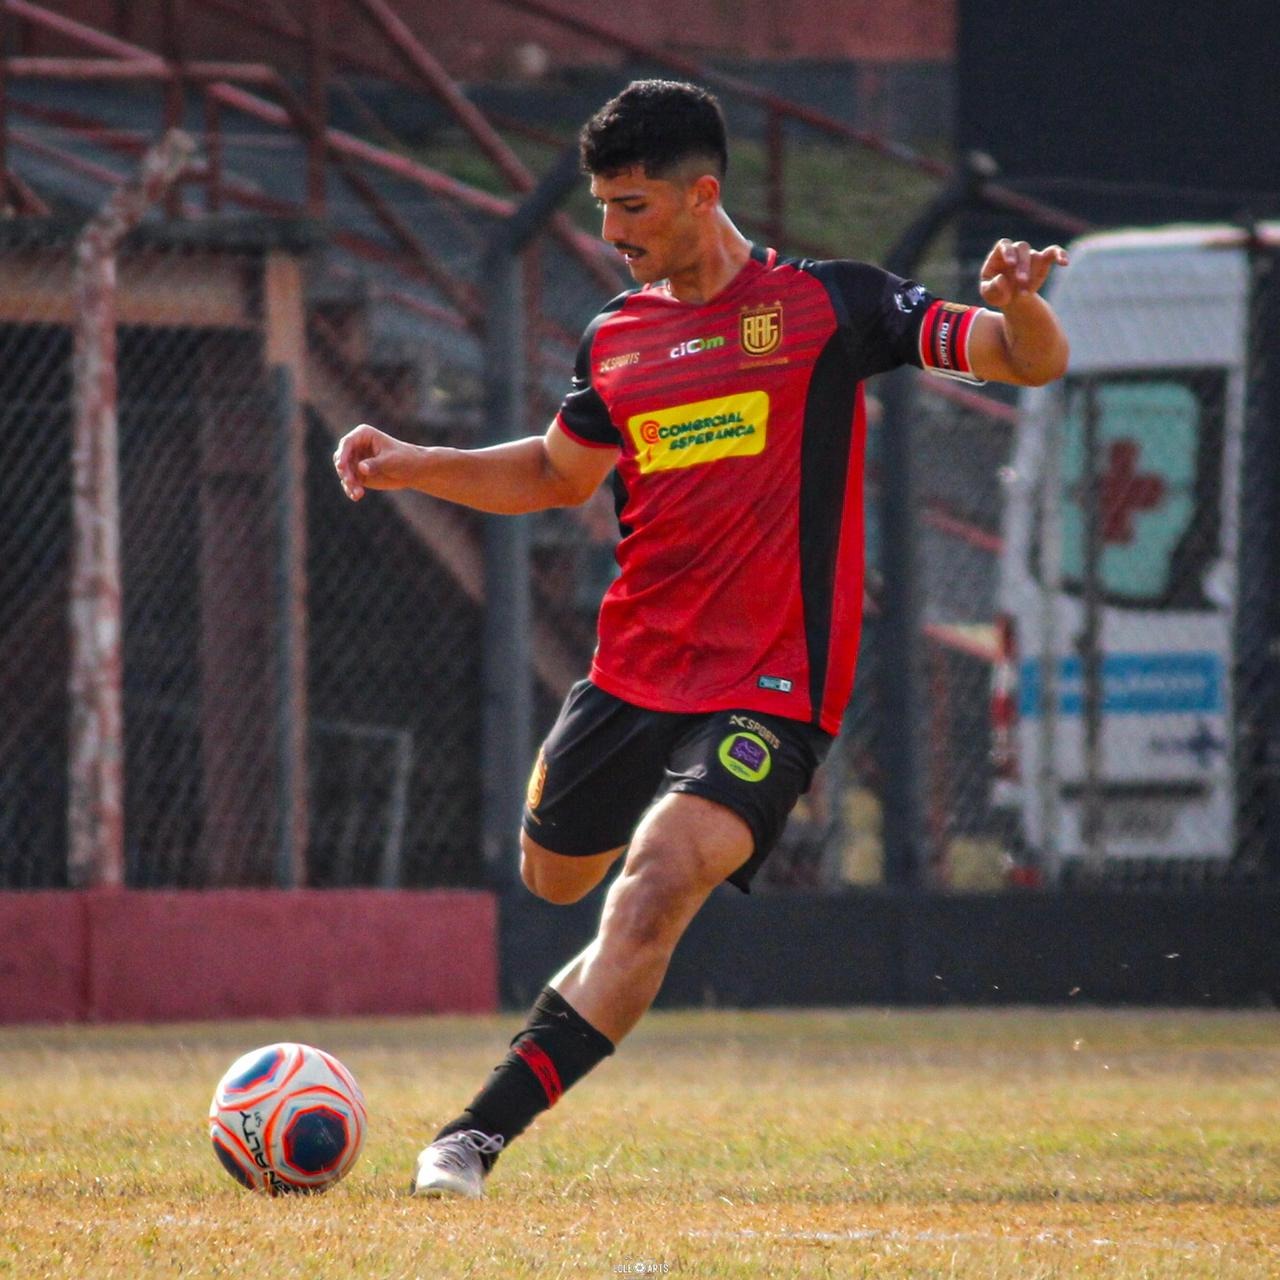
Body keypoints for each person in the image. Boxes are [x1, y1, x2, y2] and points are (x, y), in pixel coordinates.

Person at [332, 78, 1069, 1198]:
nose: (609, 231)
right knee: (553, 874)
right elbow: (551, 470)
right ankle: (581, 873)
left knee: (653, 883)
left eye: (630, 206)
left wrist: (1018, 302)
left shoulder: (831, 305)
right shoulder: (615, 339)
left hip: (773, 683)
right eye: (597, 206)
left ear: (700, 194)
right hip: (630, 672)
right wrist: (414, 461)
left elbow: (1024, 360)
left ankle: (470, 1135)